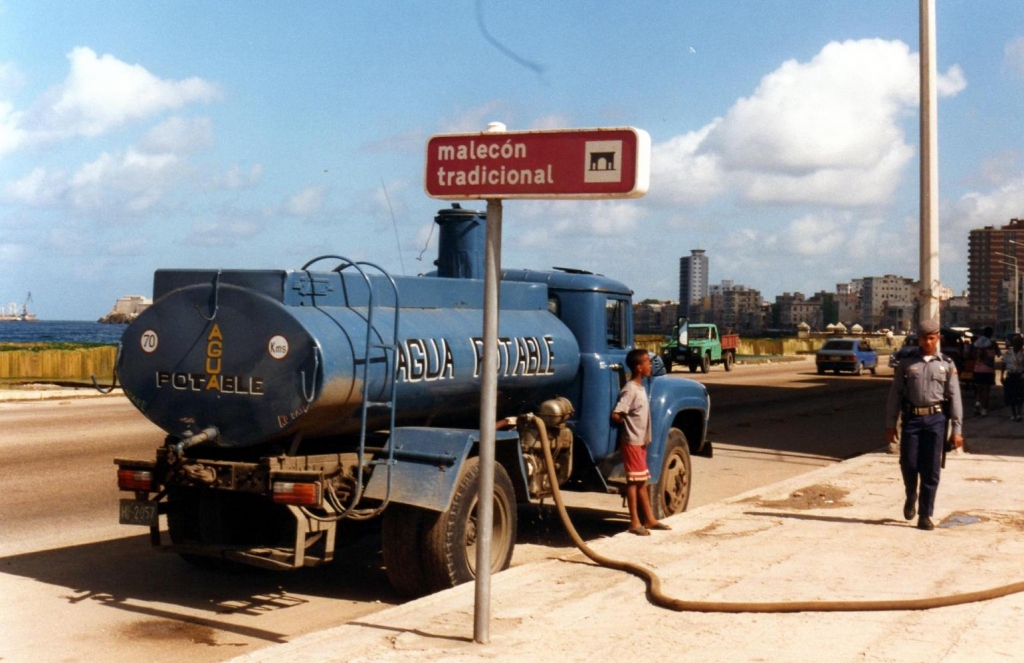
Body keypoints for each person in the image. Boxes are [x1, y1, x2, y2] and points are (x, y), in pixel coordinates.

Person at [886, 319, 964, 531]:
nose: (927, 342)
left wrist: (957, 430)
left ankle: (925, 514)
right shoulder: (907, 362)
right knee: (909, 464)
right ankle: (911, 494)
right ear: (918, 338)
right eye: (923, 338)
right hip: (911, 420)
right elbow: (896, 394)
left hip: (936, 420)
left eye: (931, 338)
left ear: (938, 337)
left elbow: (954, 397)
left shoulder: (946, 363)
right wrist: (891, 424)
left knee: (931, 469)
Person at [610, 349, 670, 536]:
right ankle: (634, 522)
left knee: (642, 481)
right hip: (633, 442)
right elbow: (617, 414)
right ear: (638, 367)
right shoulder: (630, 389)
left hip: (641, 441)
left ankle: (649, 519)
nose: (650, 365)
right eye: (647, 362)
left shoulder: (640, 387)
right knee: (634, 482)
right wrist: (626, 423)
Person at [971, 326, 1001, 416]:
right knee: (986, 391)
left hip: (977, 370)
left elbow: (971, 355)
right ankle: (984, 410)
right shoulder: (993, 344)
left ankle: (977, 403)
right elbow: (999, 355)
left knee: (978, 390)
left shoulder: (977, 344)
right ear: (991, 334)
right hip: (989, 371)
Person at [1001, 335, 1024, 421]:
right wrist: (1001, 376)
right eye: (1016, 343)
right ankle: (1013, 414)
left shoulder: (1023, 354)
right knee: (1011, 396)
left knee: (1020, 396)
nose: (1018, 344)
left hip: (1020, 376)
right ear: (1013, 344)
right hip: (1010, 376)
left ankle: (1019, 414)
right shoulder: (1007, 353)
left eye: (1019, 343)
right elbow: (1003, 365)